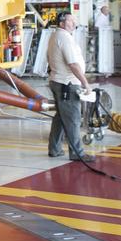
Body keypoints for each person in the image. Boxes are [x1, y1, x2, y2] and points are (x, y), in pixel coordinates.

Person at [46, 10, 93, 161]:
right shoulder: (64, 38)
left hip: (57, 81)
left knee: (60, 117)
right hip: (67, 84)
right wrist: (85, 83)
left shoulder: (55, 35)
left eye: (74, 21)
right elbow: (72, 63)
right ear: (61, 23)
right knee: (73, 119)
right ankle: (77, 153)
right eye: (70, 21)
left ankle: (55, 149)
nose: (74, 24)